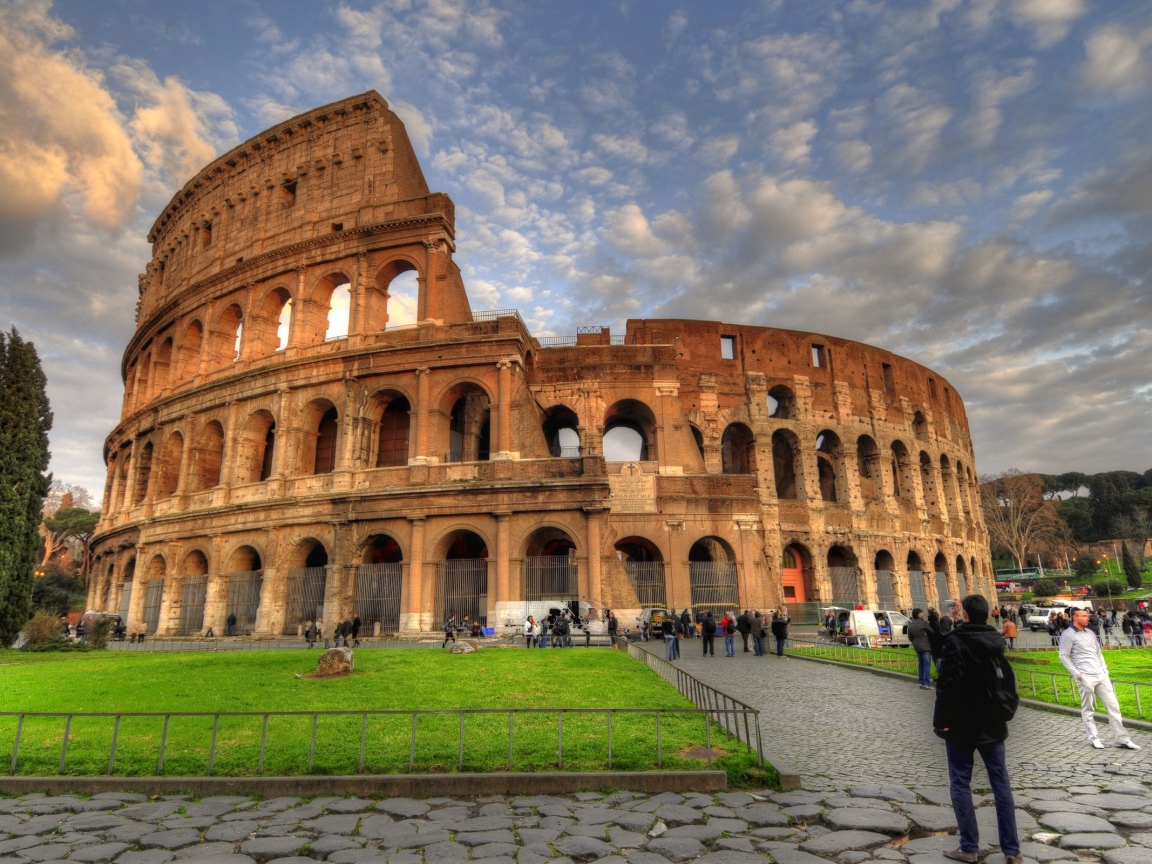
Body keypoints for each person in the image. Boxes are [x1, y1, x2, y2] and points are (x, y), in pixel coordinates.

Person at [933, 594, 1022, 864]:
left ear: (967, 615)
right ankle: (1012, 851)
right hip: (992, 721)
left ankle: (969, 848)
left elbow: (946, 685)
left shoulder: (957, 640)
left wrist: (940, 722)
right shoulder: (996, 640)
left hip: (961, 723)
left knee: (960, 783)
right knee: (1001, 784)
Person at [1059, 607, 1141, 750]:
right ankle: (1094, 738)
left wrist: (1105, 670)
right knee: (1088, 708)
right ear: (1075, 617)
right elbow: (1063, 656)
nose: (1087, 618)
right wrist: (1077, 674)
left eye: (1087, 615)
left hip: (1100, 675)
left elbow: (1099, 653)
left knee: (1114, 706)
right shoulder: (1068, 634)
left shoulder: (1090, 632)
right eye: (1083, 616)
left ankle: (1121, 739)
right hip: (1085, 676)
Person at [907, 608, 934, 689]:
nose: (923, 614)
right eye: (922, 613)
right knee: (926, 664)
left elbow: (910, 636)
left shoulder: (911, 624)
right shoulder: (923, 623)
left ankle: (921, 682)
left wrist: (915, 642)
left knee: (921, 663)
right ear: (919, 614)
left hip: (917, 646)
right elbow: (932, 632)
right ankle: (926, 683)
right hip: (925, 646)